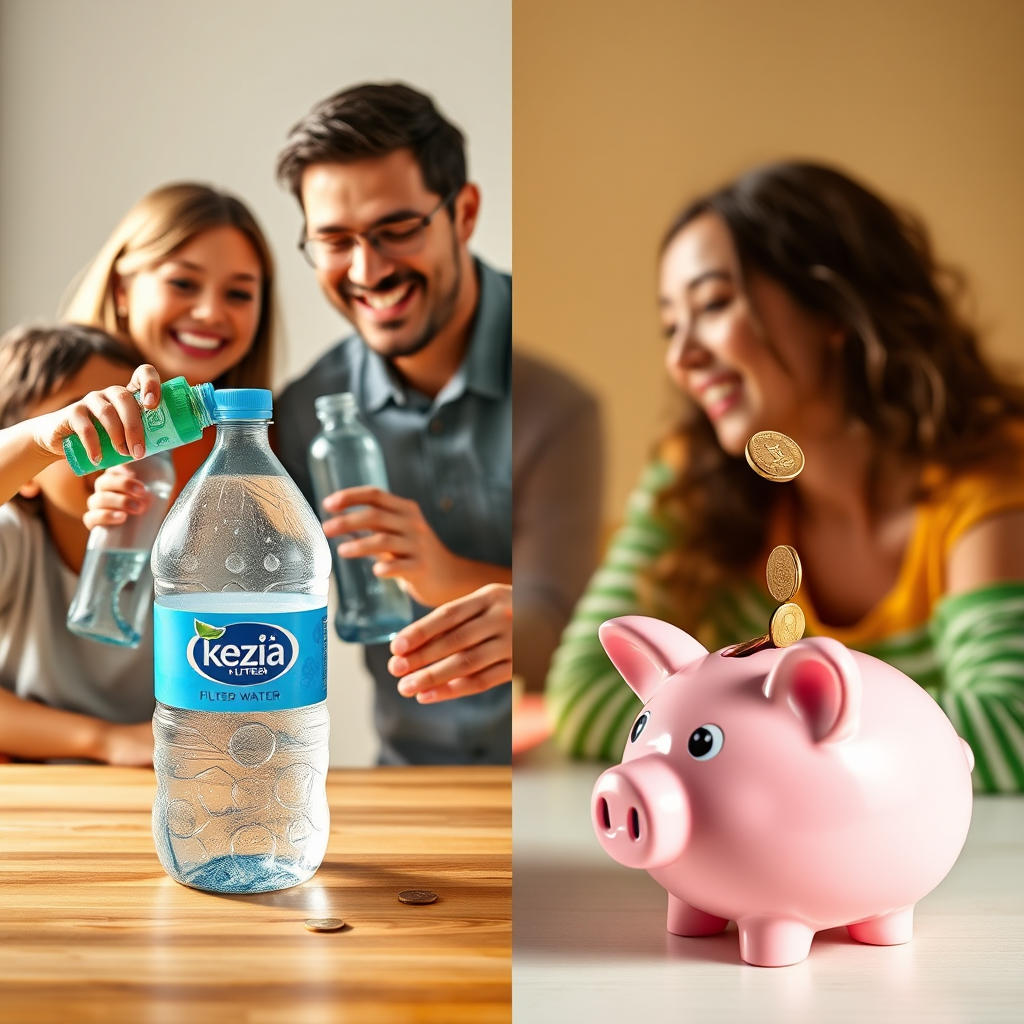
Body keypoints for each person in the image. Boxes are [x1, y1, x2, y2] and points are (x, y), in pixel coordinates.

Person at [547, 161, 1024, 793]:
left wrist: (718, 733)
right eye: (670, 325)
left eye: (713, 304)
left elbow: (1009, 730)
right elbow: (582, 693)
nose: (680, 356)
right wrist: (804, 735)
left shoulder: (988, 484)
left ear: (831, 308)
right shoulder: (688, 481)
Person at [273, 83, 512, 764]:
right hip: (409, 782)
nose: (367, 269)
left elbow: (652, 605)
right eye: (334, 240)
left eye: (397, 229)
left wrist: (448, 572)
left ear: (463, 213)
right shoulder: (302, 409)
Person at [63, 182, 277, 523]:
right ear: (122, 290)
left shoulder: (268, 446)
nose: (210, 313)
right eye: (183, 283)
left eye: (238, 293)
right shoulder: (64, 412)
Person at [0, 324, 162, 763]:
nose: (120, 440)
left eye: (133, 417)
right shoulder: (14, 540)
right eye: (86, 421)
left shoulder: (183, 548)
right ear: (26, 474)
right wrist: (106, 740)